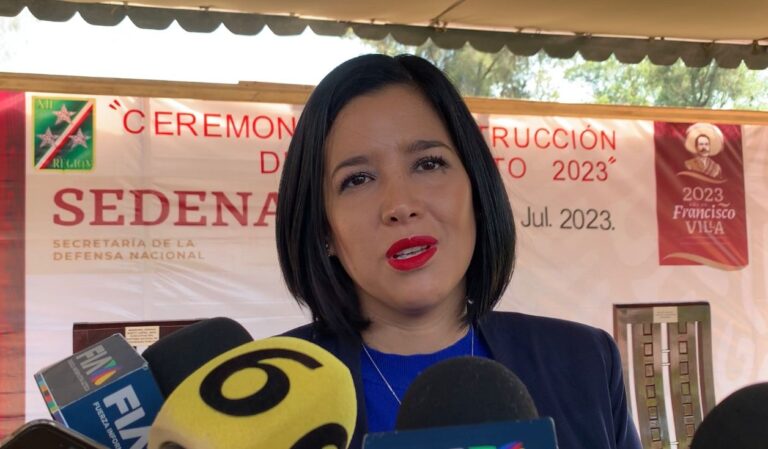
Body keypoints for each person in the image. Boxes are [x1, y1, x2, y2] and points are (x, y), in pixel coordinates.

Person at [276, 54, 641, 449]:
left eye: (428, 164)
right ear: (323, 228)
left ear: (476, 190)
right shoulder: (274, 393)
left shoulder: (584, 361)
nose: (400, 204)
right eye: (358, 179)